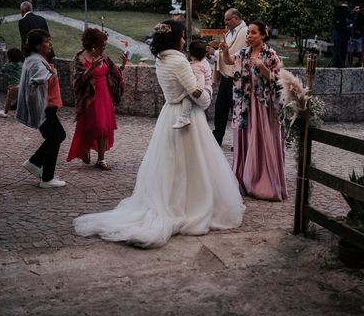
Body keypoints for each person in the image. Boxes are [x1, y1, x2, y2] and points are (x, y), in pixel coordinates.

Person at [74, 20, 244, 248]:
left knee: (171, 163)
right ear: (175, 38)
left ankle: (174, 198)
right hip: (186, 119)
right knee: (191, 164)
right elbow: (200, 100)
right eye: (183, 36)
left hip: (169, 113)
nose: (185, 40)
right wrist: (207, 88)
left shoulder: (161, 58)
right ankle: (189, 205)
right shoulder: (179, 62)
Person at [220, 20, 287, 201]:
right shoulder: (243, 53)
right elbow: (228, 61)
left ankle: (263, 181)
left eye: (253, 33)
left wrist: (262, 67)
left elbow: (279, 80)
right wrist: (225, 50)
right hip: (244, 105)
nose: (249, 36)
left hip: (263, 106)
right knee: (246, 138)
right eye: (248, 33)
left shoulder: (271, 55)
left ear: (263, 35)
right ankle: (244, 179)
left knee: (262, 139)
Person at [66, 28, 125, 171]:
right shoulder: (80, 57)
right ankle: (85, 147)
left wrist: (123, 65)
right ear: (93, 45)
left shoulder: (104, 57)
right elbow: (77, 81)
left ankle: (101, 159)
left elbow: (114, 74)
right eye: (102, 45)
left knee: (104, 126)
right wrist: (90, 69)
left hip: (104, 95)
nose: (104, 48)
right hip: (89, 98)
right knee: (92, 125)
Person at [16, 29, 67, 188]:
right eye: (46, 41)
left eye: (49, 40)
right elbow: (37, 79)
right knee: (56, 137)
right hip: (45, 108)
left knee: (57, 136)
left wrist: (50, 73)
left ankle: (34, 163)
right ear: (37, 46)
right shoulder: (36, 61)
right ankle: (47, 179)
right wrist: (51, 74)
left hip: (48, 106)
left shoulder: (35, 59)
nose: (50, 44)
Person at [211, 8, 248, 146]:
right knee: (221, 108)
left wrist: (214, 53)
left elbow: (236, 53)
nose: (225, 22)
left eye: (228, 19)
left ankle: (237, 141)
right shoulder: (230, 32)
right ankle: (217, 137)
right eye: (225, 19)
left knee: (236, 109)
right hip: (226, 76)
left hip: (236, 77)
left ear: (236, 19)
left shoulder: (244, 32)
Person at [173, 40, 212, 129]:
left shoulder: (197, 66)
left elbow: (201, 79)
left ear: (191, 53)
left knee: (186, 98)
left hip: (203, 90)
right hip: (207, 89)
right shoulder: (203, 63)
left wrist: (199, 89)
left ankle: (184, 117)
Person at [0, 48, 22, 118]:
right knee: (21, 99)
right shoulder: (21, 65)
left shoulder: (9, 65)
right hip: (21, 85)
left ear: (9, 57)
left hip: (13, 86)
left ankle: (5, 112)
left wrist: (7, 62)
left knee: (9, 99)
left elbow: (3, 70)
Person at [330, 3, 350, 68]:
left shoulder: (346, 16)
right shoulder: (338, 16)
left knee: (343, 51)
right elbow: (338, 25)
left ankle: (341, 63)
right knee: (338, 50)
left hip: (344, 38)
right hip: (339, 37)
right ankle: (337, 63)